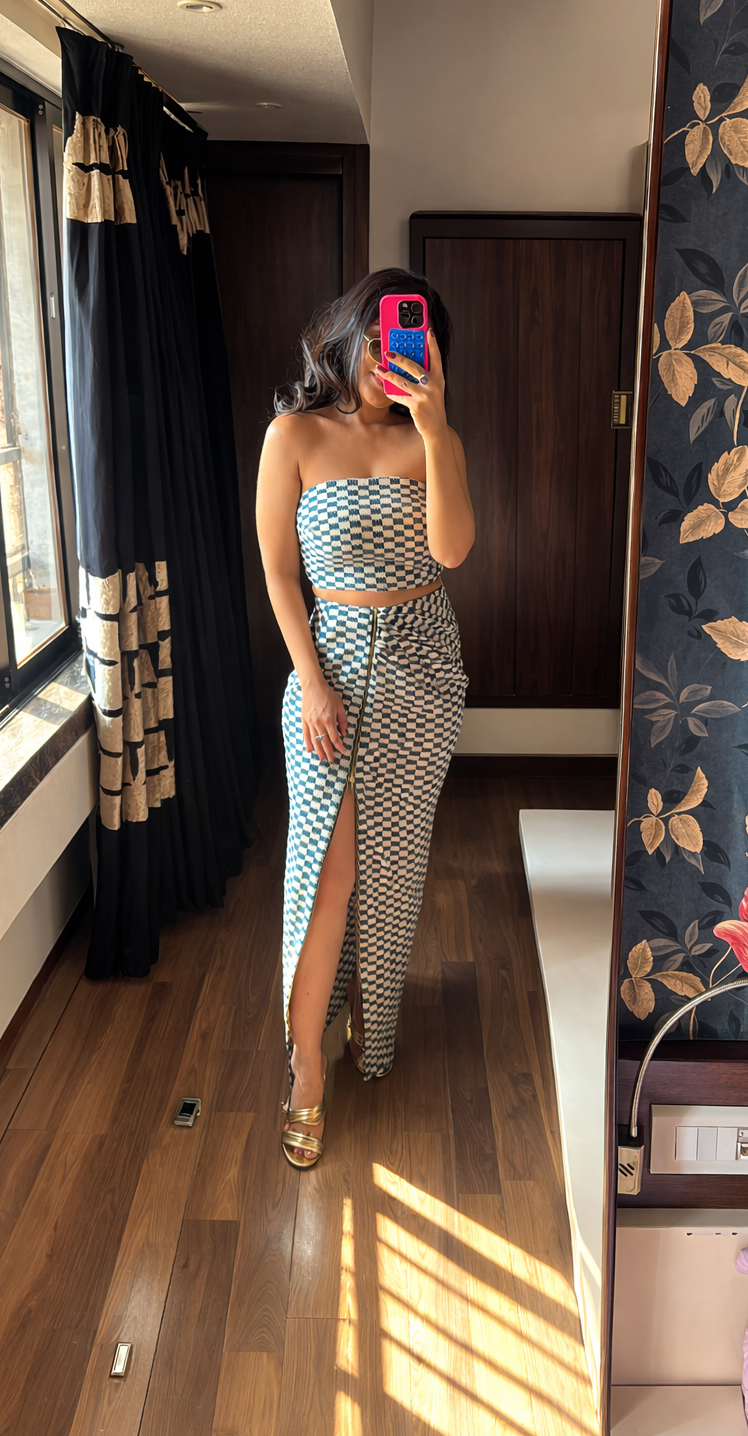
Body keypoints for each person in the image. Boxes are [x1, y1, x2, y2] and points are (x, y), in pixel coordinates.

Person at [255, 269, 474, 1169]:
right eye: (381, 341)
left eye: (412, 343)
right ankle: (306, 1065)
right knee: (329, 870)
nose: (394, 359)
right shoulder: (294, 435)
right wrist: (309, 681)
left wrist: (436, 429)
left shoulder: (432, 439)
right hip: (332, 667)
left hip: (424, 671)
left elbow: (451, 551)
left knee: (393, 867)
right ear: (352, 337)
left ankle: (369, 1025)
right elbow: (279, 572)